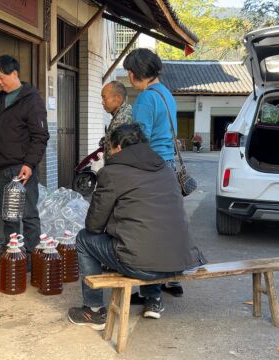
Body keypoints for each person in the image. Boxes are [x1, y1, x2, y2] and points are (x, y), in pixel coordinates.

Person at [68, 124, 205, 328]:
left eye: (110, 148)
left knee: (84, 239)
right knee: (150, 234)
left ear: (119, 147)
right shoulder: (166, 169)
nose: (109, 153)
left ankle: (93, 310)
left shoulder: (112, 172)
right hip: (178, 262)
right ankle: (153, 299)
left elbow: (94, 226)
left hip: (140, 265)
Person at [123, 48, 185, 297]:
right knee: (166, 224)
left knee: (146, 227)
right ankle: (172, 279)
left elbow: (139, 139)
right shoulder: (166, 94)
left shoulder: (146, 98)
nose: (128, 77)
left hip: (150, 168)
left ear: (134, 73)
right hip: (168, 166)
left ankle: (150, 292)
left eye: (129, 72)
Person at [0, 55, 49, 253]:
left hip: (22, 168)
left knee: (28, 214)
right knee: (9, 215)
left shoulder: (32, 100)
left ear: (15, 73)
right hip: (3, 168)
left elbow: (40, 136)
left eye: (2, 77)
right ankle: (13, 254)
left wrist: (29, 164)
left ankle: (32, 256)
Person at [100, 81, 132, 160]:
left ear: (118, 98)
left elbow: (119, 152)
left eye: (104, 97)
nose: (102, 102)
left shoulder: (122, 119)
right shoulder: (122, 114)